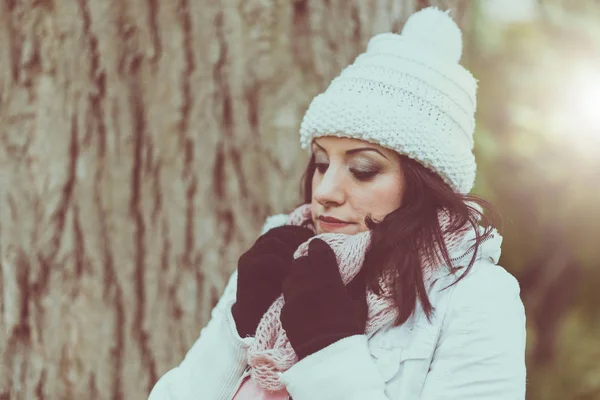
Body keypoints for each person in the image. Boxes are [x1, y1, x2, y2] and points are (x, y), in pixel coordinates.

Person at [148, 6, 526, 400]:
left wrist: (327, 350)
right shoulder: (281, 264)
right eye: (321, 163)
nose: (325, 190)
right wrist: (237, 332)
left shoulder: (476, 298)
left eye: (362, 169)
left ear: (423, 185)